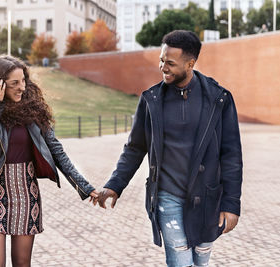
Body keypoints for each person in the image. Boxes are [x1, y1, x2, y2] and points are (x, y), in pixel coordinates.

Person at [97, 30, 243, 267]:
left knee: (200, 260)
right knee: (180, 261)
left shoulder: (219, 99)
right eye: (161, 60)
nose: (163, 67)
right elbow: (135, 148)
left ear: (190, 63)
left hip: (207, 196)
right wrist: (114, 185)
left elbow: (231, 156)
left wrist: (231, 204)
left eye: (170, 63)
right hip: (167, 195)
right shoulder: (151, 100)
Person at [0, 54, 98, 266]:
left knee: (22, 263)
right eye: (14, 83)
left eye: (23, 80)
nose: (22, 87)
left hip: (25, 193)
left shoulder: (34, 109)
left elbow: (57, 151)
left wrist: (83, 186)